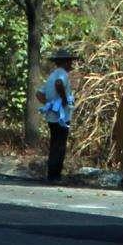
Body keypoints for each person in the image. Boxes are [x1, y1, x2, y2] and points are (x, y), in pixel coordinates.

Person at [38, 48, 77, 183]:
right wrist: (63, 99)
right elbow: (59, 84)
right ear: (65, 62)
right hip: (61, 117)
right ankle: (56, 176)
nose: (71, 64)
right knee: (60, 146)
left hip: (51, 116)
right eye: (70, 61)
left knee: (55, 144)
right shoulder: (61, 75)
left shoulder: (52, 75)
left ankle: (51, 174)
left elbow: (39, 93)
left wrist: (50, 104)